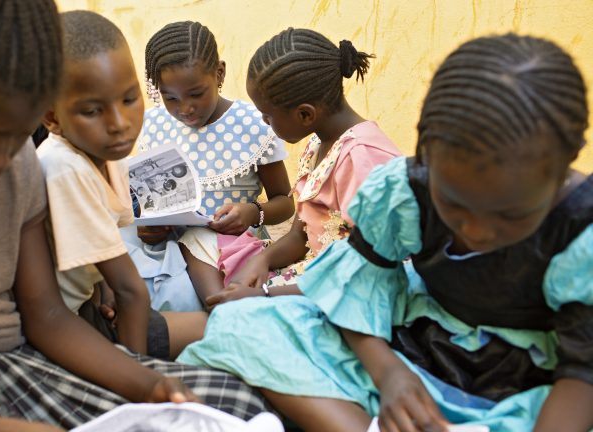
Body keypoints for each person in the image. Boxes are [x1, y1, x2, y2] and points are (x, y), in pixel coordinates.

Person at [0, 2, 269, 430]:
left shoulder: (17, 160)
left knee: (233, 406)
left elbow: (47, 317)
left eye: (18, 135)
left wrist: (148, 384)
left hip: (14, 360)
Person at [179, 33, 593, 432]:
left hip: (521, 381)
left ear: (560, 170)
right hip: (410, 343)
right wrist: (389, 375)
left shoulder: (581, 233)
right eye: (452, 204)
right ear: (427, 160)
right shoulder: (405, 189)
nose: (474, 228)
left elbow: (581, 376)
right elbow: (358, 290)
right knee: (242, 325)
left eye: (509, 213)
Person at [37, 11, 207, 360]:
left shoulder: (104, 151)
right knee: (219, 330)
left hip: (94, 305)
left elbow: (95, 256)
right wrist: (138, 378)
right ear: (53, 117)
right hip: (69, 328)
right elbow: (132, 291)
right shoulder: (63, 167)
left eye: (129, 100)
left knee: (217, 326)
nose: (119, 124)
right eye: (92, 111)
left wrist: (100, 286)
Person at [203, 29, 401, 308]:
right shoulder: (318, 146)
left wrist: (265, 295)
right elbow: (300, 234)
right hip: (315, 280)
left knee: (235, 322)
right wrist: (262, 261)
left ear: (305, 114)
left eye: (268, 116)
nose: (263, 121)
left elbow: (368, 275)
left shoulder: (362, 160)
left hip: (351, 301)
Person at [121, 21, 294, 312]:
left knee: (190, 275)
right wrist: (149, 226)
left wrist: (253, 212)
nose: (184, 108)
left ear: (220, 73)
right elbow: (145, 198)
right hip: (168, 245)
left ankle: (215, 317)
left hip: (228, 246)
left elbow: (285, 203)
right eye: (170, 97)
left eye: (196, 93)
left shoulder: (253, 124)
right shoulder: (154, 126)